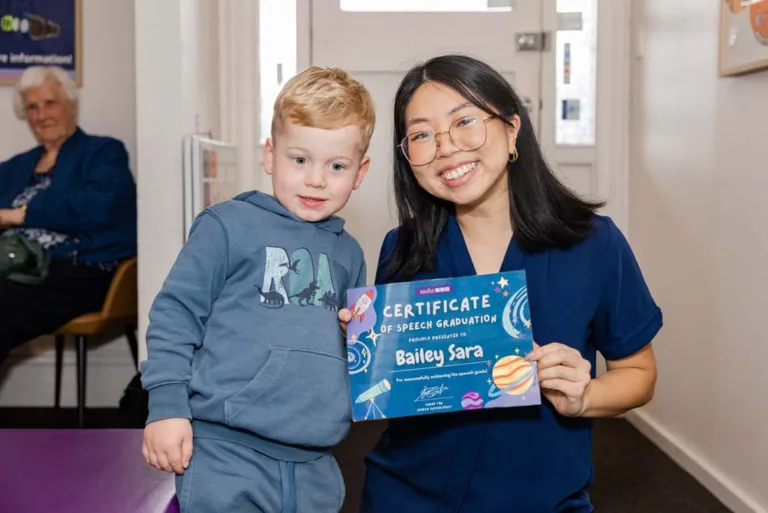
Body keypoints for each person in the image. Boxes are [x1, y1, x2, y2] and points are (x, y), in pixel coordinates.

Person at [338, 54, 663, 513]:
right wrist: (363, 350)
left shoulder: (594, 243)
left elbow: (639, 375)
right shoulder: (402, 248)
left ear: (512, 129)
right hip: (406, 494)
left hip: (542, 499)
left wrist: (583, 395)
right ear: (408, 158)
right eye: (421, 135)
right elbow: (396, 388)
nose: (446, 148)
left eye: (464, 122)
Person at [140, 66, 374, 513]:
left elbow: (354, 353)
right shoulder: (227, 226)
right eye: (299, 159)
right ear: (270, 155)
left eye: (337, 166)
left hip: (316, 463)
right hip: (226, 453)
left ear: (360, 173)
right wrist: (167, 406)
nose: (316, 179)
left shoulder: (350, 254)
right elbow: (175, 315)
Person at [0, 65, 137, 367]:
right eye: (33, 107)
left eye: (50, 103)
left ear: (71, 106)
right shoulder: (14, 168)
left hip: (79, 268)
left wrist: (17, 215)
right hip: (17, 268)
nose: (41, 115)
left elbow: (98, 207)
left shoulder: (103, 153)